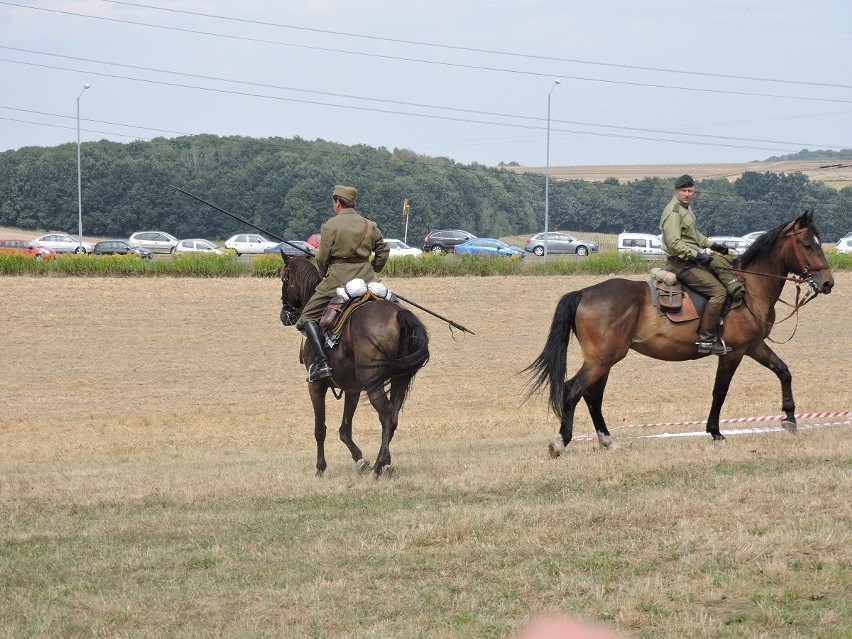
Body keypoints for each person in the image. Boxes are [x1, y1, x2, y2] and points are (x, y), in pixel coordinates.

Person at [295, 184, 389, 381]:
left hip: (337, 280)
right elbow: (383, 251)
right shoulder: (369, 225)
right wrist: (374, 269)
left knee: (306, 317)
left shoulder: (330, 225)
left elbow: (322, 258)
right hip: (367, 279)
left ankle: (321, 364)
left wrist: (324, 273)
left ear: (337, 203)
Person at [660, 174, 745, 355]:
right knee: (719, 292)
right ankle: (707, 340)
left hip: (691, 260)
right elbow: (674, 243)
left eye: (690, 191)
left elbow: (694, 236)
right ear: (676, 191)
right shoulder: (674, 212)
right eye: (684, 190)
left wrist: (713, 245)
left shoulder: (685, 209)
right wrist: (698, 255)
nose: (687, 194)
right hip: (681, 264)